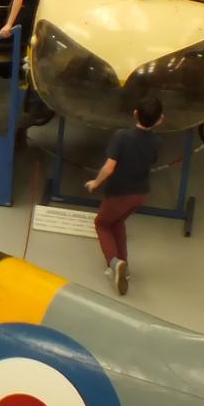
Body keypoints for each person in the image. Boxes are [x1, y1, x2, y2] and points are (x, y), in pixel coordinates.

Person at [85, 97, 164, 296]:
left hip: (119, 193)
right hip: (140, 193)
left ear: (135, 113)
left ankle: (114, 263)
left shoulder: (122, 136)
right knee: (118, 223)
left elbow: (110, 167)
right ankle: (125, 267)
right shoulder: (157, 141)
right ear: (160, 119)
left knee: (102, 224)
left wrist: (95, 182)